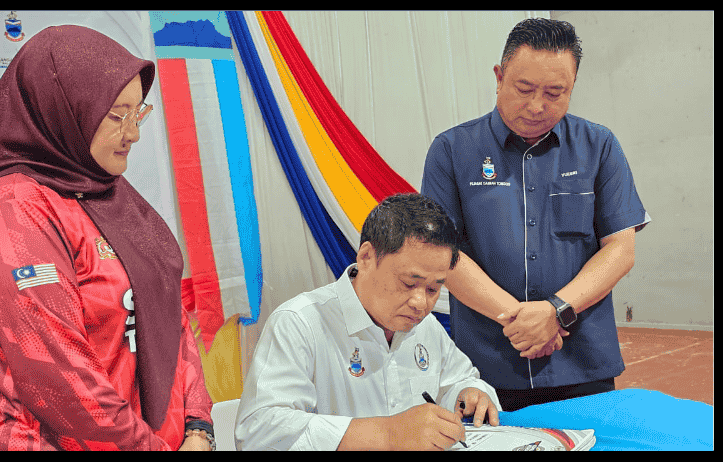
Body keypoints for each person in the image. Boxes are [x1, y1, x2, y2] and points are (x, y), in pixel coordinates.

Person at [0, 25, 215, 451]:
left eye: (138, 112)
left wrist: (198, 425)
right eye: (117, 115)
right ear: (64, 108)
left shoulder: (109, 190)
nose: (133, 133)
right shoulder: (14, 211)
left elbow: (170, 315)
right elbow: (62, 383)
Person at [421, 18, 650, 412]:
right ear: (499, 77)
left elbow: (620, 249)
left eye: (555, 93)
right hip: (483, 369)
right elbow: (443, 254)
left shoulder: (599, 146)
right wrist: (521, 320)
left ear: (572, 88)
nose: (537, 106)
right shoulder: (452, 151)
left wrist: (555, 311)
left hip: (581, 362)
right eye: (524, 89)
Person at [234, 193, 501, 451]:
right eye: (409, 283)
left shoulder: (425, 326)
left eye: (433, 289)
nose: (421, 303)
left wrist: (470, 393)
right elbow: (258, 432)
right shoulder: (300, 323)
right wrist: (387, 434)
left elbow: (458, 380)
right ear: (366, 257)